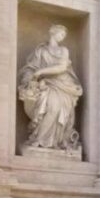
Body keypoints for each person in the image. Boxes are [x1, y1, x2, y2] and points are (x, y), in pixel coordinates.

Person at [18, 24, 84, 152]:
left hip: (63, 84)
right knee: (48, 107)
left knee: (55, 109)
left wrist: (41, 72)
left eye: (64, 35)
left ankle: (42, 140)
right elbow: (31, 68)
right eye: (61, 34)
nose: (62, 37)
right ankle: (39, 139)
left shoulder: (63, 50)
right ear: (53, 32)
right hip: (46, 84)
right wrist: (30, 78)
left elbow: (62, 68)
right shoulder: (41, 51)